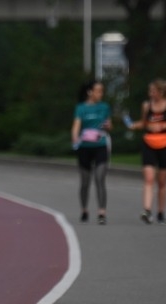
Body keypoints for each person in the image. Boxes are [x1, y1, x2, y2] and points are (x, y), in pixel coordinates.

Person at [126, 79, 166, 224]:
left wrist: (163, 125)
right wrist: (133, 125)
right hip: (148, 142)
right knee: (148, 178)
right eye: (150, 91)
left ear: (161, 92)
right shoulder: (147, 105)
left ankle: (160, 212)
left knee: (162, 181)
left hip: (165, 143)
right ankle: (147, 210)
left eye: (153, 91)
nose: (150, 94)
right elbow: (144, 123)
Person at [71, 80, 112, 224]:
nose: (101, 94)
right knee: (85, 182)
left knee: (100, 178)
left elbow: (109, 125)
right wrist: (75, 139)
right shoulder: (81, 108)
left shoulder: (104, 107)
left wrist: (107, 126)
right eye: (98, 90)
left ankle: (102, 212)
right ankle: (84, 210)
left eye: (102, 91)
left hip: (100, 145)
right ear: (90, 92)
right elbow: (76, 126)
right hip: (84, 147)